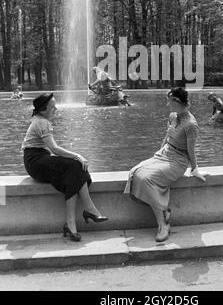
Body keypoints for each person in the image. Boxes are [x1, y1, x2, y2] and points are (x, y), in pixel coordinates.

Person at [124, 87, 207, 243]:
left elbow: (191, 151)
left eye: (170, 101)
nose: (168, 104)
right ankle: (164, 210)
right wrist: (157, 156)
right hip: (164, 154)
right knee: (135, 172)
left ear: (177, 102)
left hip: (178, 161)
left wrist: (195, 169)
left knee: (147, 179)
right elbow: (166, 137)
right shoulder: (172, 116)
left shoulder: (191, 125)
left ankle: (163, 224)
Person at [22, 93, 108, 242]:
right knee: (76, 164)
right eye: (52, 106)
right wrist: (77, 155)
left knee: (73, 173)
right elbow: (54, 149)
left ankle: (72, 224)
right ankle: (89, 210)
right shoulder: (43, 122)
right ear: (43, 110)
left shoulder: (40, 120)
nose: (56, 109)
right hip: (36, 161)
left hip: (36, 160)